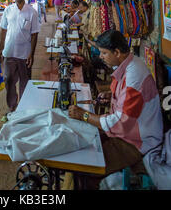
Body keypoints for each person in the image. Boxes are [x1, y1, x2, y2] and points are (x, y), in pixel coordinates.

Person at [68, 30, 163, 189]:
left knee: (87, 166)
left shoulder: (134, 75)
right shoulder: (132, 63)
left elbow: (119, 121)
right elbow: (128, 99)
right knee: (83, 140)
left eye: (104, 53)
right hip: (129, 131)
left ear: (117, 52)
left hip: (138, 141)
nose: (101, 56)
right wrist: (113, 95)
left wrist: (83, 114)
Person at [0, 0, 40, 118]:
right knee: (8, 80)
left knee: (25, 81)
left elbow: (34, 34)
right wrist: (0, 49)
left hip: (24, 53)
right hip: (9, 52)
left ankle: (24, 107)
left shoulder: (31, 12)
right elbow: (3, 30)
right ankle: (12, 106)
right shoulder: (8, 10)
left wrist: (31, 54)